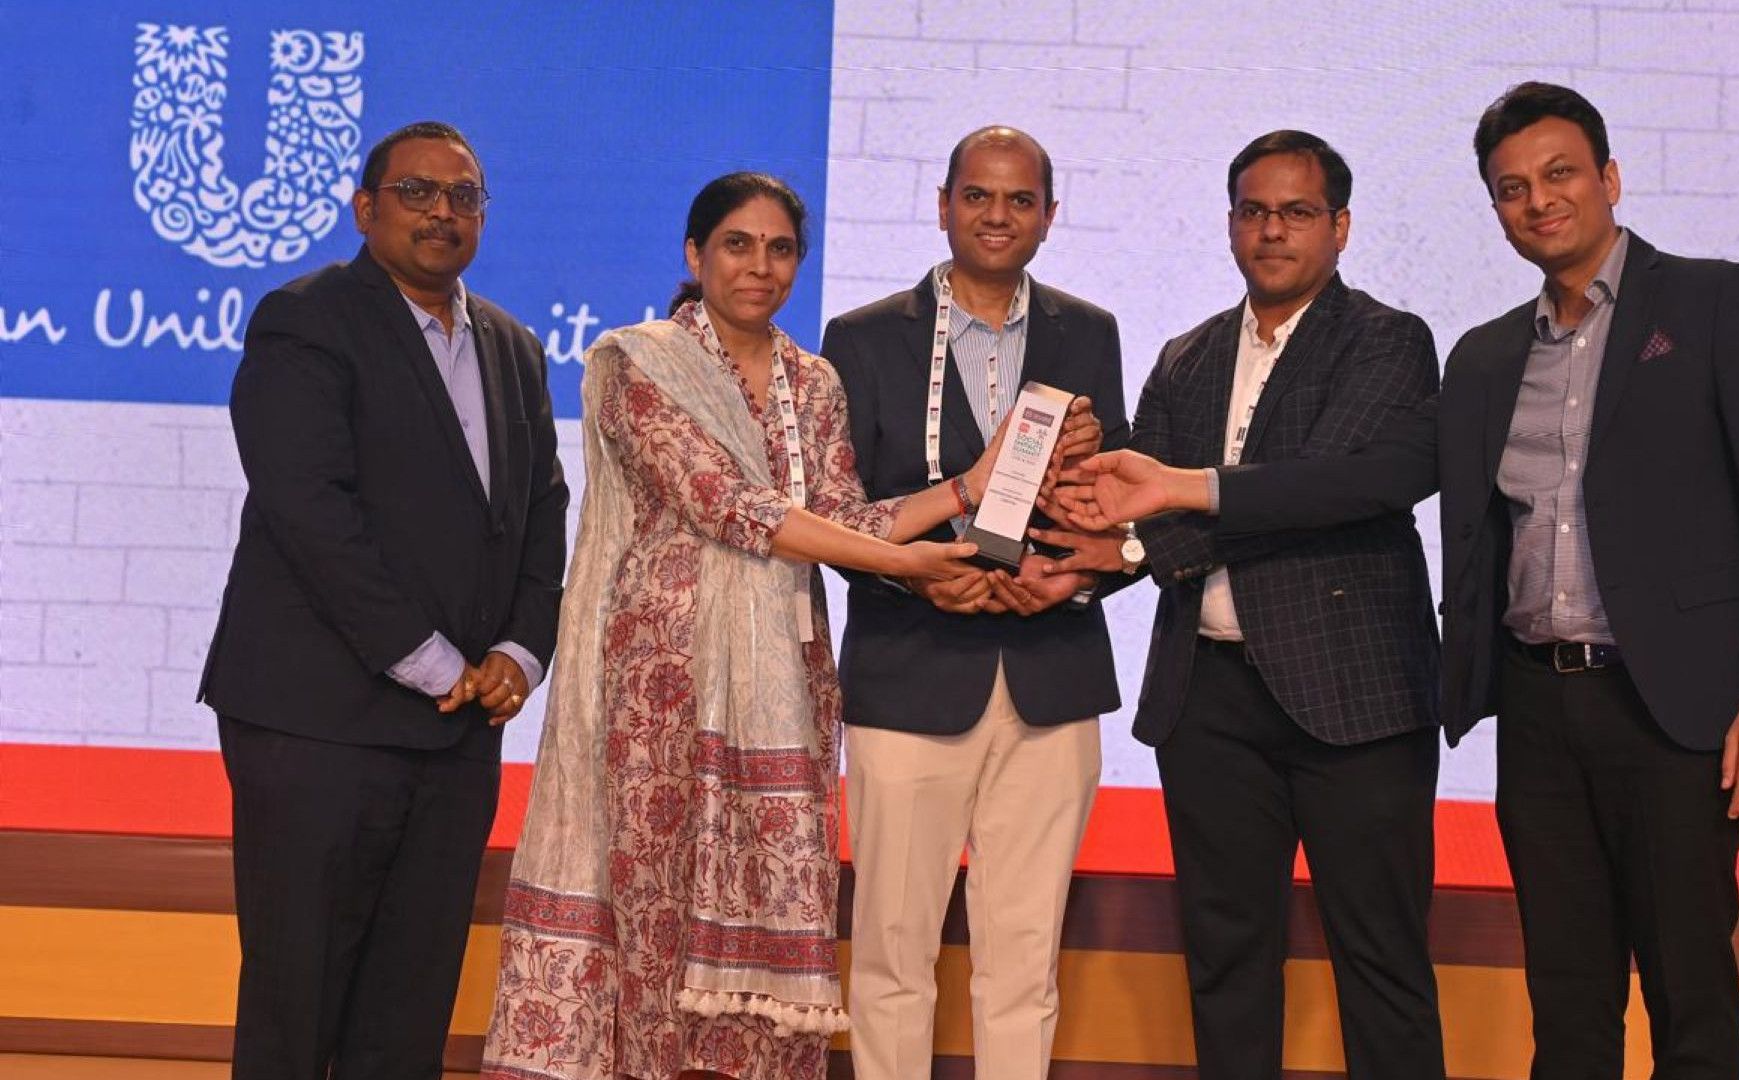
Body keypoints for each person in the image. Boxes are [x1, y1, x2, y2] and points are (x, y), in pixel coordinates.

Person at [1062, 83, 1739, 1080]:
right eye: (1512, 188)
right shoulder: (1486, 356)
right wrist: (1110, 539)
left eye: (1559, 176)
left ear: (1609, 178)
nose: (1539, 202)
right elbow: (1163, 519)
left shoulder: (1703, 301)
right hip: (1533, 705)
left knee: (1687, 986)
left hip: (1667, 708)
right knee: (1566, 994)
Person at [480, 171, 1095, 1080]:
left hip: (783, 685)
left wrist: (973, 486)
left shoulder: (815, 380)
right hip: (663, 680)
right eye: (737, 244)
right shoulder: (634, 360)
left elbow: (848, 515)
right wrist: (909, 567)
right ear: (695, 255)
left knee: (780, 911)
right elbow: (729, 505)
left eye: (779, 249)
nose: (758, 266)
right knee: (658, 909)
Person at [1037, 129, 1446, 1079]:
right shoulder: (1189, 354)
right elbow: (1149, 511)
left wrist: (1170, 499)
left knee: (1380, 961)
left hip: (1357, 702)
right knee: (1226, 964)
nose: (1273, 231)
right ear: (1230, 225)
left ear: (1340, 227)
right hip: (1209, 703)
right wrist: (1110, 548)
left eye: (1297, 212)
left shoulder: (1389, 340)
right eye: (1255, 211)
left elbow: (1333, 487)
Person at [199, 120, 569, 1080]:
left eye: (464, 196)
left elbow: (541, 513)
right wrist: (440, 662)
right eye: (417, 192)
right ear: (365, 209)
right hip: (317, 720)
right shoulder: (306, 321)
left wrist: (522, 653)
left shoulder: (516, 348)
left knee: (409, 1010)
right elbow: (309, 513)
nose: (443, 212)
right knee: (298, 1003)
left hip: (457, 731)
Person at [817, 125, 1130, 1080]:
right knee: (891, 957)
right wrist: (924, 574)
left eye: (1020, 200)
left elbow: (1110, 496)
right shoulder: (864, 337)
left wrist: (1079, 575)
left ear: (1049, 215)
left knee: (1024, 961)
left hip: (1052, 676)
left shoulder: (1092, 330)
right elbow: (840, 515)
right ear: (944, 201)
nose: (999, 216)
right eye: (979, 196)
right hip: (910, 675)